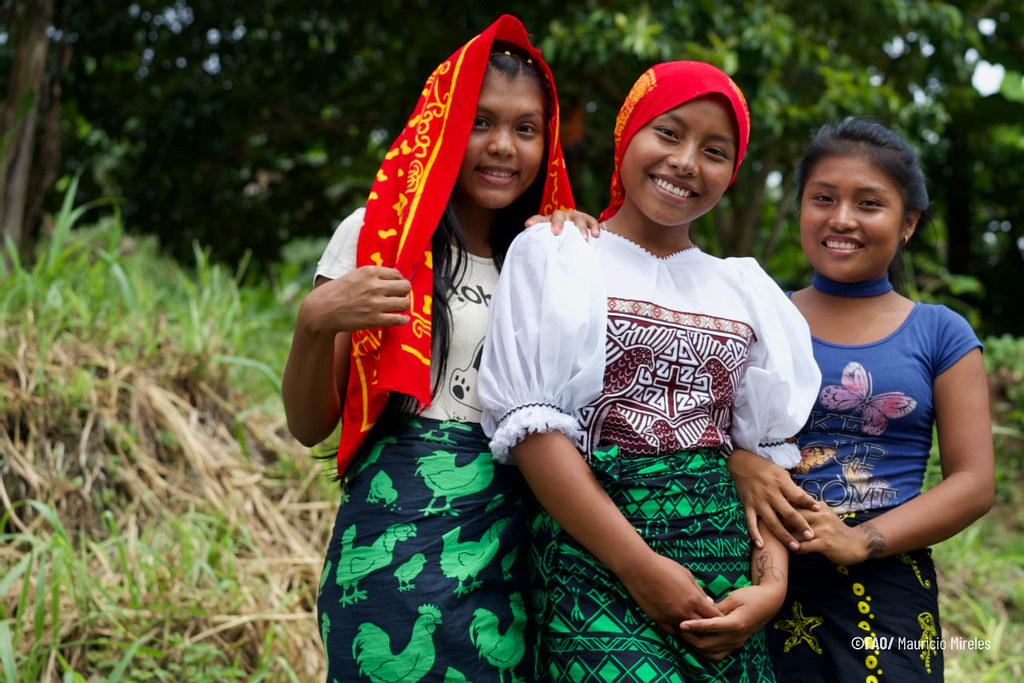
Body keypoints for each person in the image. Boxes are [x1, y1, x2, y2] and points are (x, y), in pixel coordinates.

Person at [478, 61, 821, 681]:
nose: (687, 161)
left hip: (724, 562)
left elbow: (766, 456)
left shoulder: (747, 288)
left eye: (714, 150)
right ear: (626, 135)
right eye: (668, 133)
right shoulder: (557, 255)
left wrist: (769, 591)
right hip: (596, 557)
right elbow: (533, 434)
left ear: (732, 173)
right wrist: (639, 566)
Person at [281, 15, 598, 682]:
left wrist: (582, 257)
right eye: (480, 122)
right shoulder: (377, 236)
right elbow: (310, 422)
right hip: (393, 548)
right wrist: (315, 322)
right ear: (444, 124)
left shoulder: (550, 256)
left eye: (525, 129)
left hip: (519, 539)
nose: (502, 146)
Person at [724, 118, 995, 681]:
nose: (841, 218)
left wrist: (860, 540)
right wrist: (742, 462)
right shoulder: (757, 312)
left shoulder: (940, 333)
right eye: (823, 198)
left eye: (869, 203)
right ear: (800, 207)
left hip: (887, 580)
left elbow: (974, 483)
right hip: (756, 569)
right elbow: (706, 427)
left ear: (908, 223)